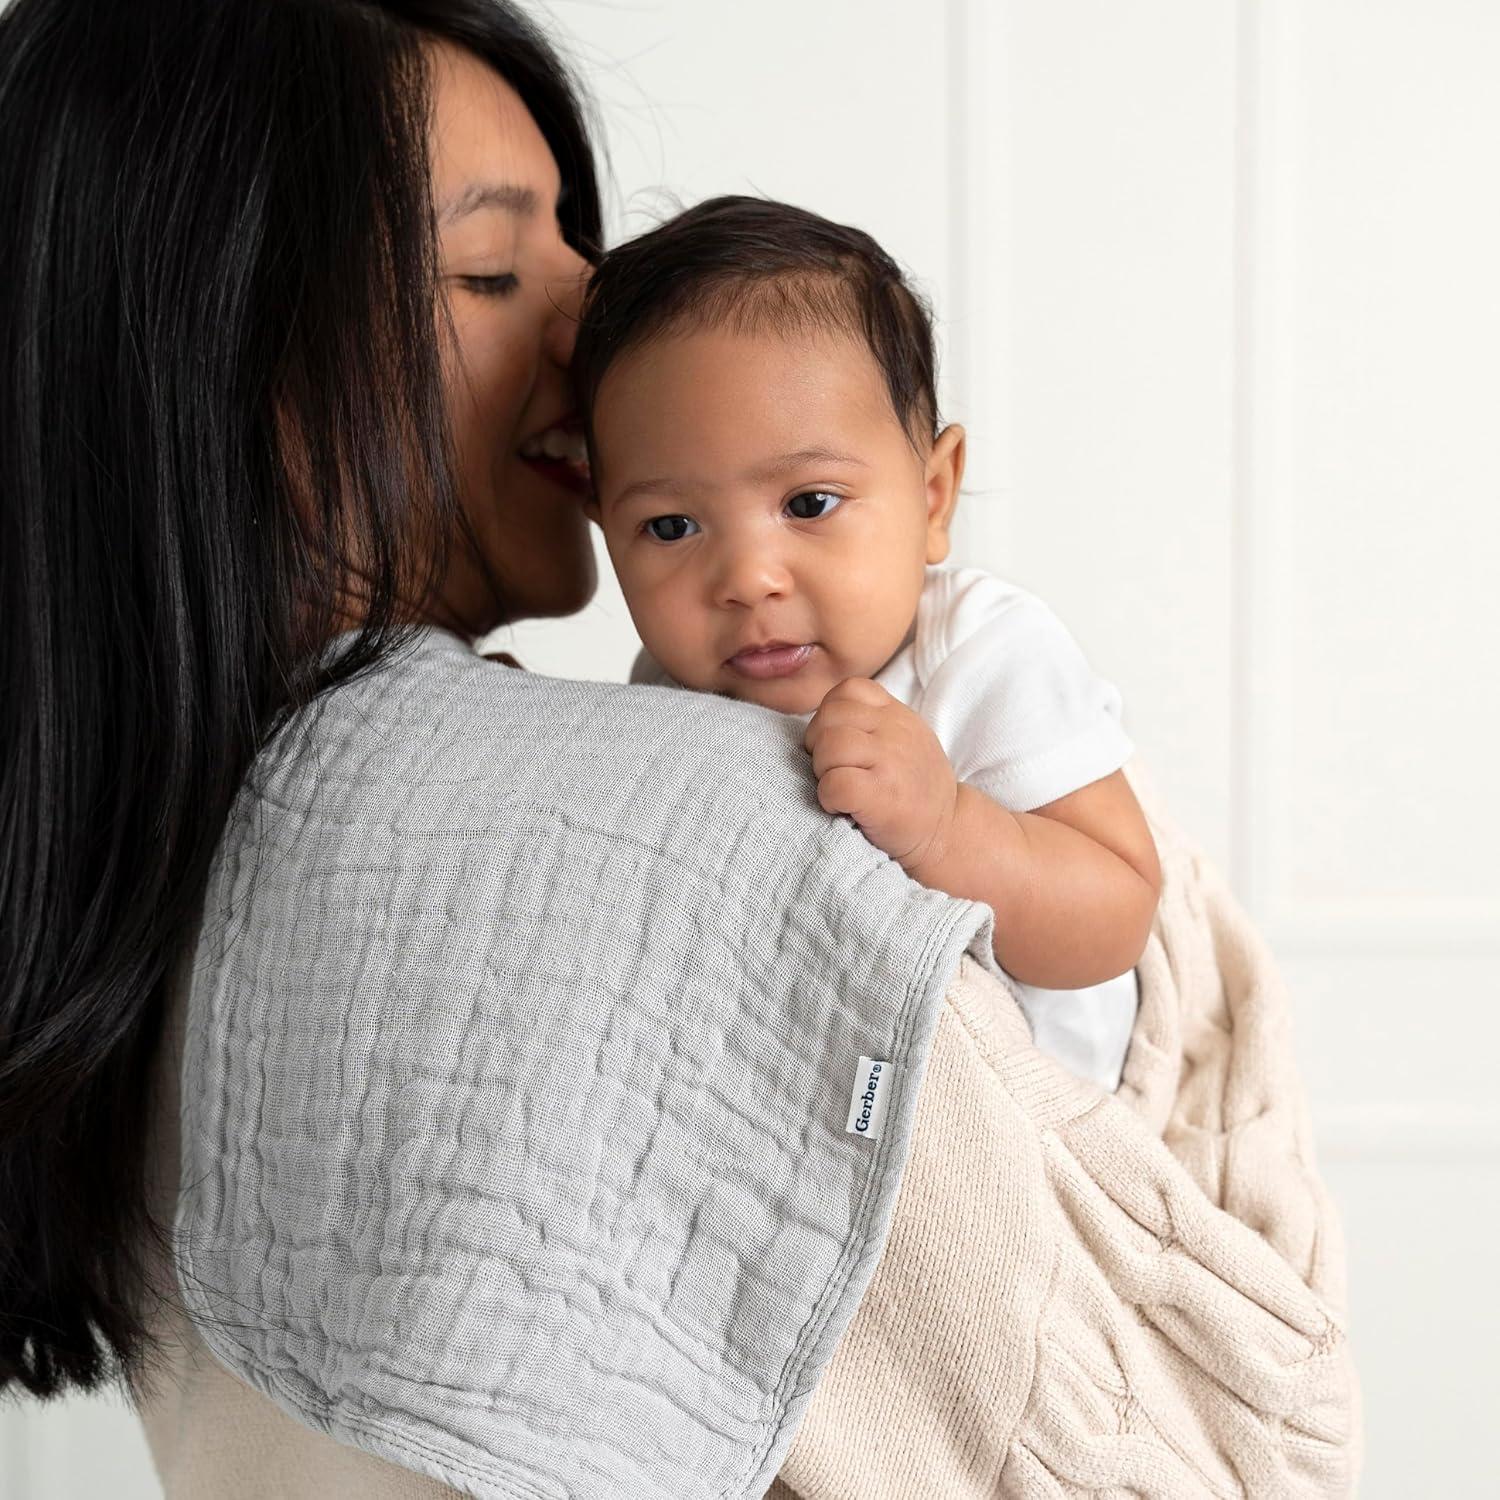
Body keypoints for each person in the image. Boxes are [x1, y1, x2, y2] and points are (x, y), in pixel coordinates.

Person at [0, 5, 999, 1495]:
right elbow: (1122, 1403)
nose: (598, 320)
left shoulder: (119, 886)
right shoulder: (731, 807)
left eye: (576, 249)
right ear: (215, 348)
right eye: (489, 268)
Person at [572, 197, 1162, 1091]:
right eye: (672, 524)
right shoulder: (669, 688)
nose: (747, 577)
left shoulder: (981, 653)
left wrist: (948, 826)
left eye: (808, 504)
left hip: (1034, 1121)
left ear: (932, 496)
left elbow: (1119, 911)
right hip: (830, 1103)